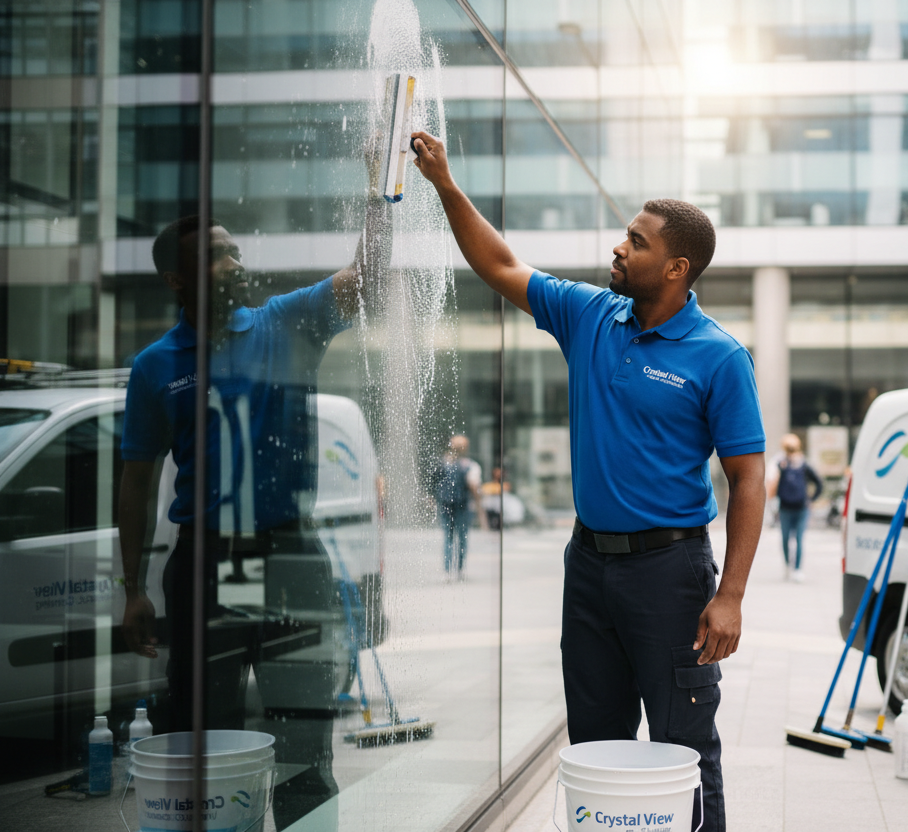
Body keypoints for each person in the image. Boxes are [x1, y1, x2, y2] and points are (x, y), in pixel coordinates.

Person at [409, 130, 766, 832]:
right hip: (589, 567)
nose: (619, 247)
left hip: (670, 572)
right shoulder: (590, 316)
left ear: (676, 268)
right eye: (625, 235)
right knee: (596, 747)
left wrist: (731, 596)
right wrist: (446, 185)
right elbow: (502, 264)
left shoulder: (720, 357)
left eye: (636, 241)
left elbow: (749, 480)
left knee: (684, 747)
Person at [118, 155, 390, 828]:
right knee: (207, 750)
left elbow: (367, 280)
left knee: (305, 746)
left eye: (235, 251)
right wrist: (133, 588)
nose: (236, 264)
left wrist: (375, 194)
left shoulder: (283, 323)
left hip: (290, 559)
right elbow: (136, 479)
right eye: (217, 258)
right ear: (179, 281)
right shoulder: (155, 368)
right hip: (205, 566)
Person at [766, 433, 823, 582]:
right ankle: (787, 565)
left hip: (801, 508)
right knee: (785, 539)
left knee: (798, 538)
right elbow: (773, 484)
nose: (790, 451)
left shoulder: (804, 465)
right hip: (785, 508)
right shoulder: (780, 463)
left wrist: (811, 499)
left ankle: (797, 569)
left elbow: (819, 483)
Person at [436, 434, 483, 580]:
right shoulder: (469, 465)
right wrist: (479, 506)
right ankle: (459, 570)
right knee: (461, 538)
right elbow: (474, 486)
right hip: (462, 506)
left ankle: (448, 571)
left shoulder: (444, 463)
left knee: (448, 538)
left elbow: (435, 482)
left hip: (446, 505)